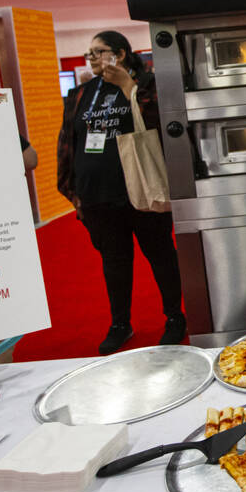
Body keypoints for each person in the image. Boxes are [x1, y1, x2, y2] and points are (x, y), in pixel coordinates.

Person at [56, 30, 186, 354]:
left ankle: (174, 317)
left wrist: (128, 87)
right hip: (97, 194)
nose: (93, 59)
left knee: (160, 255)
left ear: (121, 54)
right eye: (90, 54)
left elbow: (162, 125)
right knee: (114, 262)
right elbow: (68, 141)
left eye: (99, 52)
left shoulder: (147, 85)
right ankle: (120, 324)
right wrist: (70, 187)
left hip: (142, 189)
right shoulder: (80, 93)